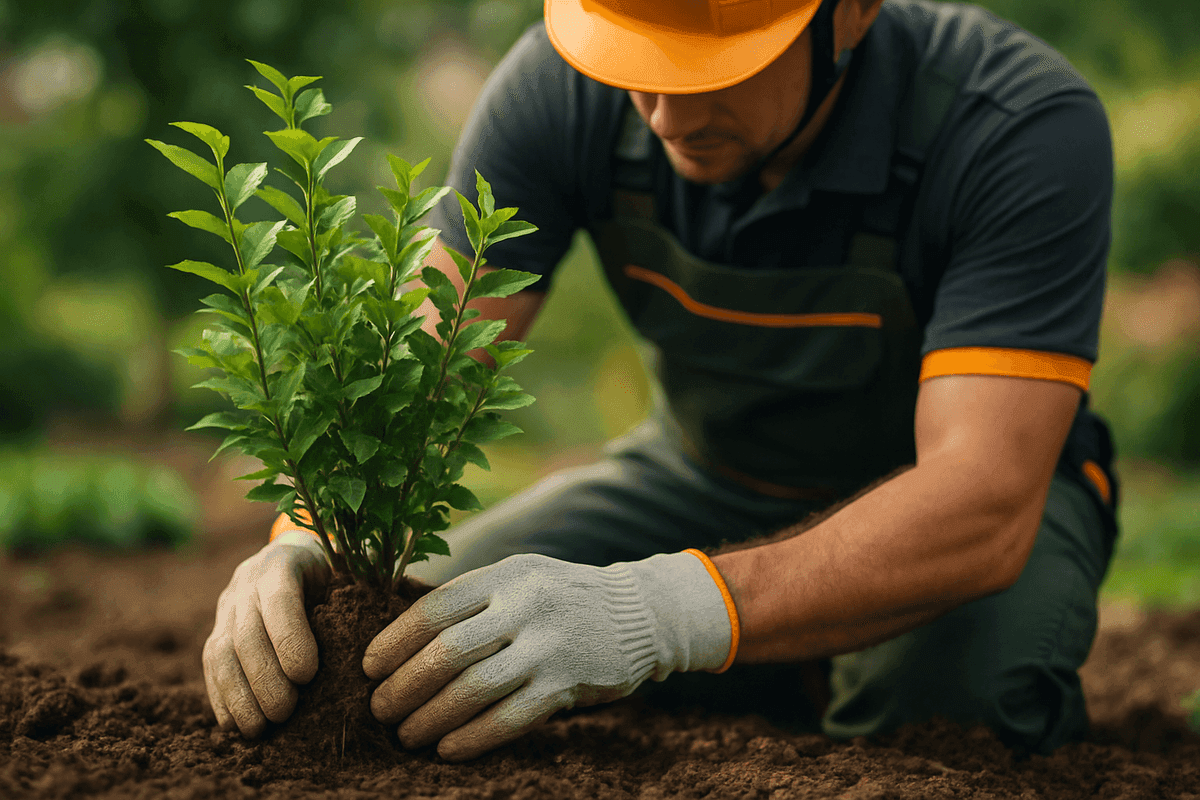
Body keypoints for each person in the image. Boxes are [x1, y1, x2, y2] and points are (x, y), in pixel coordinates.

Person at [202, 0, 1120, 763]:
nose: (665, 117)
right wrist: (304, 534)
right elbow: (414, 375)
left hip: (963, 511)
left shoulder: (1013, 126)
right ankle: (778, 658)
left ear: (850, 15)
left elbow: (982, 503)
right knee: (415, 646)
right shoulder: (561, 89)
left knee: (942, 723)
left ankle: (782, 655)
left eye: (714, 74)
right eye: (638, 65)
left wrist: (661, 612)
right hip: (696, 477)